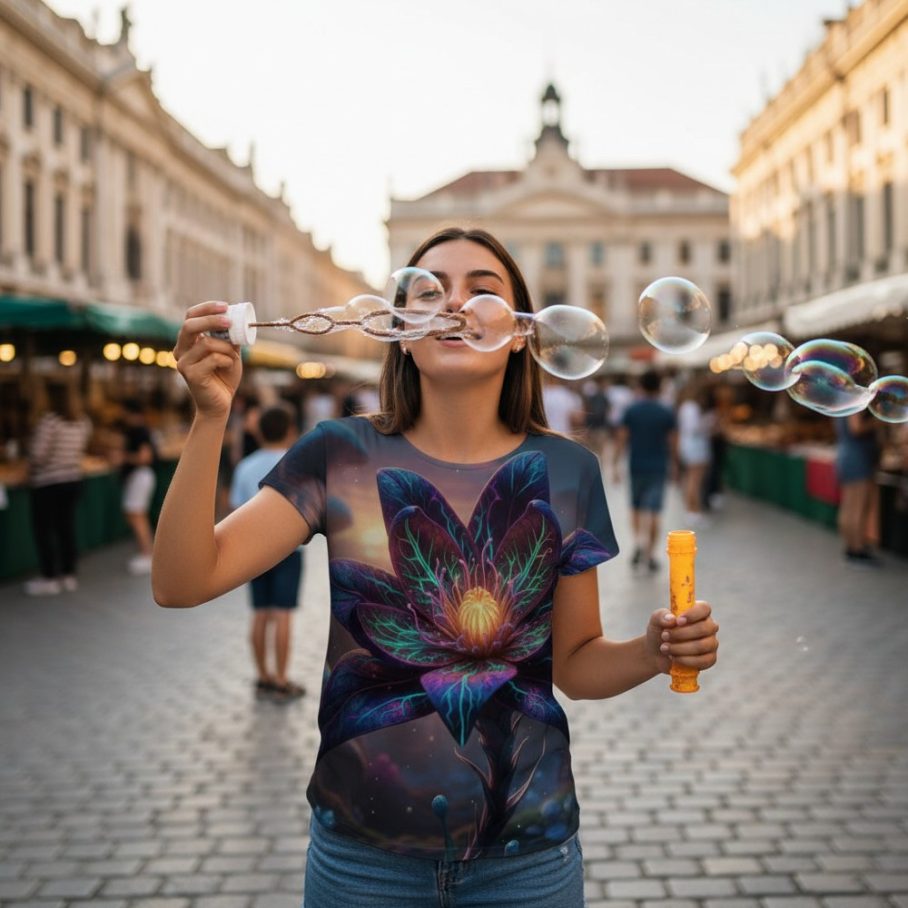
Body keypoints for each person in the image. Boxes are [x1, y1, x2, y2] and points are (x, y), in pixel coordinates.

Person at [153, 227, 718, 908]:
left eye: (482, 291)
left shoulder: (568, 471)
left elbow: (574, 664)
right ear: (400, 331)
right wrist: (209, 417)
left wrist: (650, 652)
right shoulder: (339, 453)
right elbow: (182, 581)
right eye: (429, 291)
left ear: (518, 333)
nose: (454, 304)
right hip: (362, 860)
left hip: (528, 860)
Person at [229, 405, 306, 701]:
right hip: (289, 549)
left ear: (259, 431)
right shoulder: (295, 465)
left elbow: (236, 510)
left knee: (260, 614)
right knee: (283, 614)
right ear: (290, 430)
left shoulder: (245, 466)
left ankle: (263, 676)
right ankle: (283, 678)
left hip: (253, 550)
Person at [24, 382, 92, 595]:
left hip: (48, 483)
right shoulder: (83, 422)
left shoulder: (49, 422)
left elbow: (38, 455)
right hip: (72, 480)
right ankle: (68, 574)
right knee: (66, 528)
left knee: (44, 531)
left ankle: (50, 577)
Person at [612, 370, 678, 571]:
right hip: (658, 466)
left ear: (641, 386)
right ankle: (650, 553)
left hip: (636, 465)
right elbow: (673, 442)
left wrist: (614, 464)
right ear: (660, 387)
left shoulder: (632, 410)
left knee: (636, 508)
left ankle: (638, 544)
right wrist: (675, 465)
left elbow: (622, 439)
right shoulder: (666, 411)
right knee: (654, 511)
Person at [835, 410, 881, 565]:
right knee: (858, 507)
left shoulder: (842, 402)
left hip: (847, 454)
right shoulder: (855, 404)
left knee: (849, 506)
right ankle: (857, 551)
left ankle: (850, 547)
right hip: (857, 457)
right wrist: (878, 421)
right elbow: (856, 428)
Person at [120, 399, 157, 575]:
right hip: (141, 476)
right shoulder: (142, 430)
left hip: (140, 476)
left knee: (137, 515)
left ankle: (147, 553)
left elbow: (145, 457)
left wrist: (124, 458)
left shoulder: (139, 431)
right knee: (136, 514)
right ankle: (147, 552)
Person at [677, 381, 715, 526]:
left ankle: (691, 510)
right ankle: (694, 511)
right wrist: (708, 422)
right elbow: (694, 428)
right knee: (695, 480)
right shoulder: (691, 407)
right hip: (695, 445)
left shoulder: (685, 406)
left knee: (691, 479)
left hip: (689, 445)